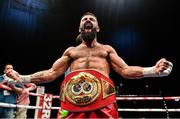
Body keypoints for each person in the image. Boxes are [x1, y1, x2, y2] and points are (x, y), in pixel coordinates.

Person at [6, 12, 173, 118]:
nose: (88, 20)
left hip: (103, 104)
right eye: (84, 19)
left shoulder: (107, 50)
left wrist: (153, 70)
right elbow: (51, 73)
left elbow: (125, 70)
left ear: (97, 28)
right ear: (79, 28)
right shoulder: (71, 51)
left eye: (91, 19)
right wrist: (22, 78)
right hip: (72, 103)